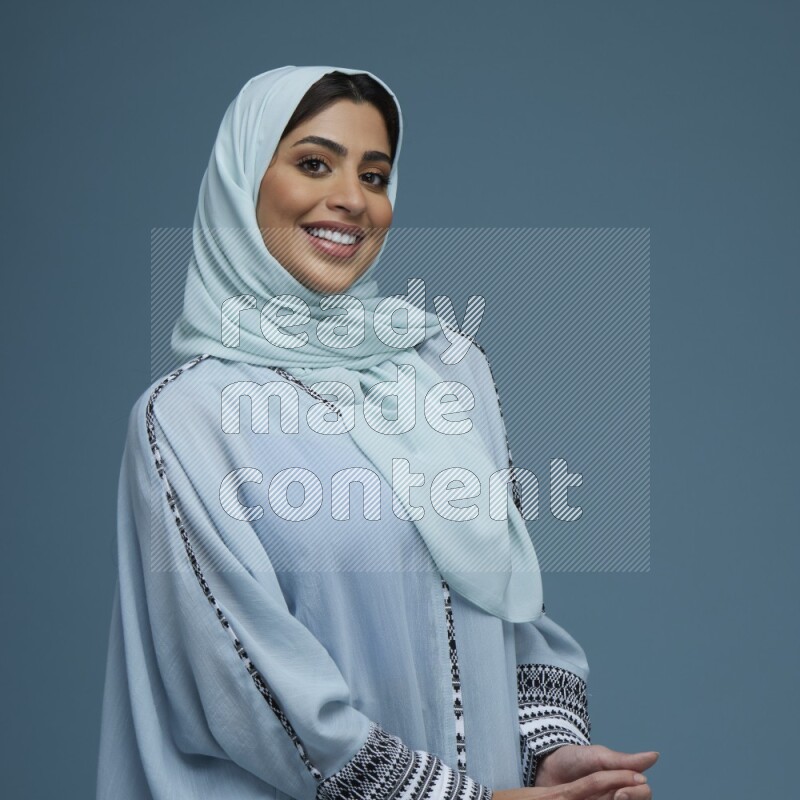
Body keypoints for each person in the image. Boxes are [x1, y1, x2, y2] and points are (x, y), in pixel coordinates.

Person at [96, 65, 658, 800]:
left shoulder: (448, 372)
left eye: (376, 175)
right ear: (242, 182)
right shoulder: (189, 417)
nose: (351, 200)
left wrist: (545, 753)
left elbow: (512, 606)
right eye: (313, 164)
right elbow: (243, 683)